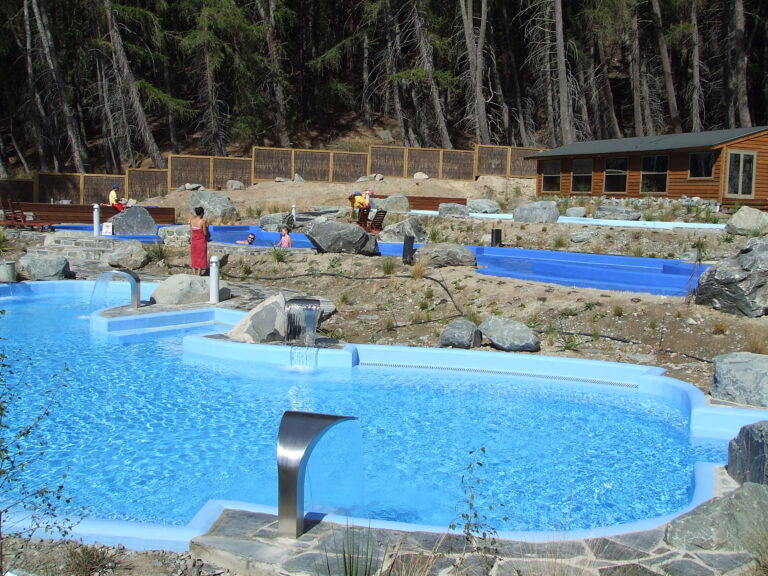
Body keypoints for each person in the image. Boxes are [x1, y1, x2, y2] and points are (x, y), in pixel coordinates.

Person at [189, 206, 209, 275]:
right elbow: (205, 233)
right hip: (201, 241)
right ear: (201, 214)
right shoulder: (203, 221)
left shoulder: (191, 220)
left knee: (194, 256)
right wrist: (207, 227)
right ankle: (199, 273)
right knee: (201, 256)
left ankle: (194, 273)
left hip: (194, 241)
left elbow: (191, 230)